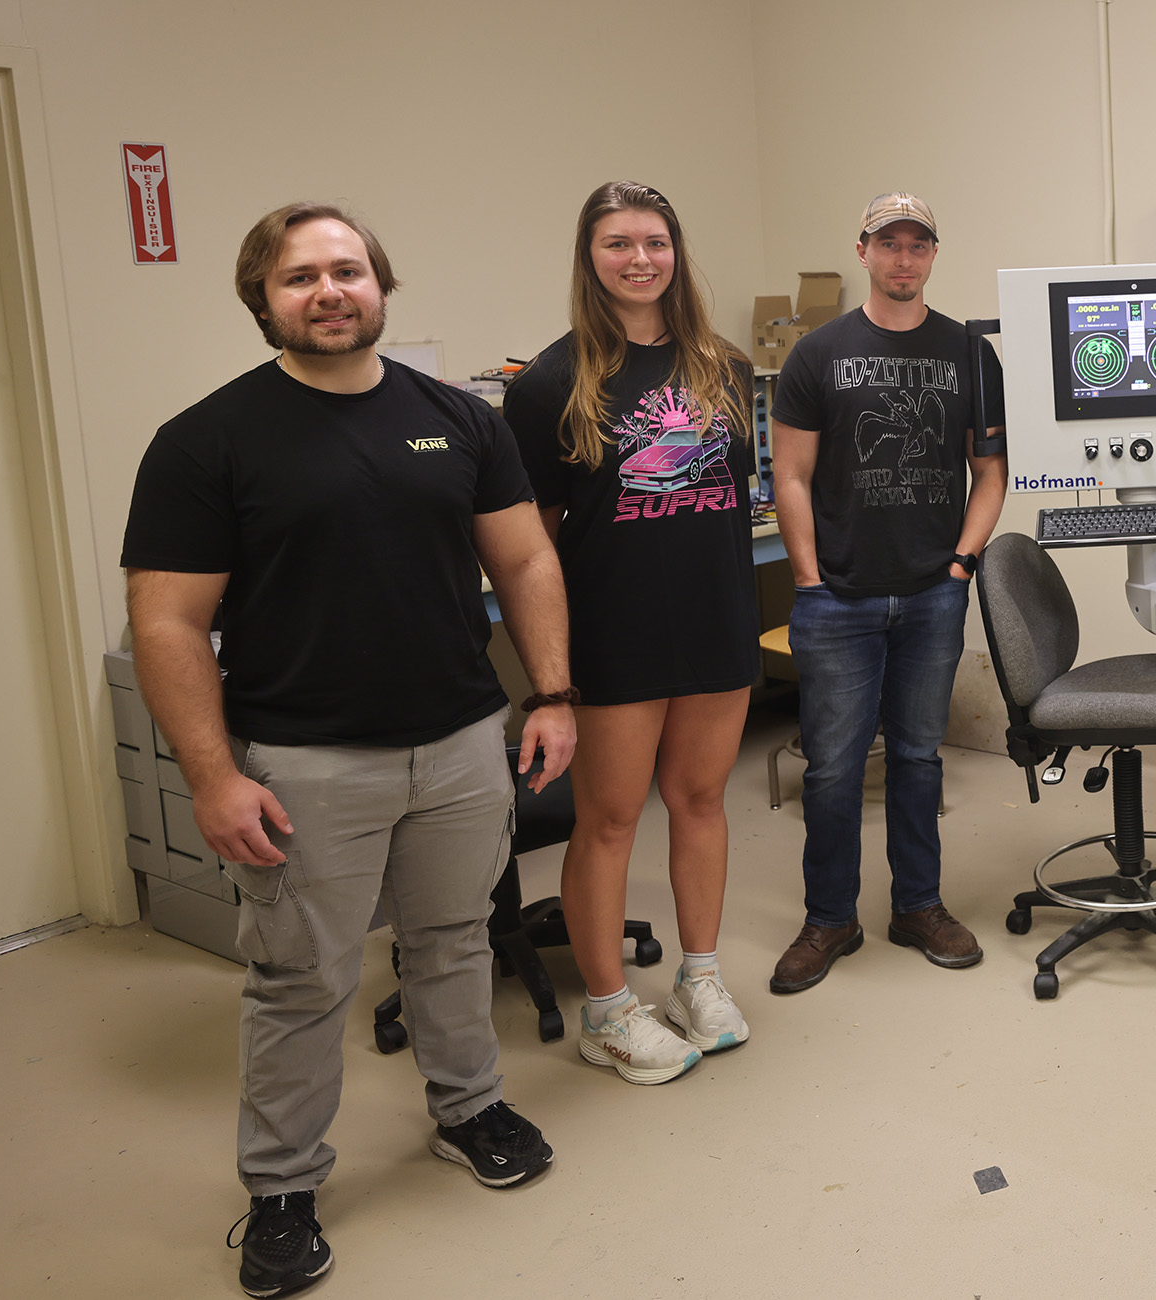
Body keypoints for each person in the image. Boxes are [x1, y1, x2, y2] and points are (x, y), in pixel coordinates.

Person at [122, 202, 572, 1298]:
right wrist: (214, 775)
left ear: (382, 285)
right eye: (300, 277)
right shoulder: (206, 440)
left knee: (454, 941)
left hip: (463, 741)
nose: (330, 291)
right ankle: (281, 1189)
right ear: (262, 299)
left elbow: (524, 565)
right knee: (300, 979)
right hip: (304, 762)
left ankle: (468, 1108)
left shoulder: (456, 419)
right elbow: (168, 623)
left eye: (348, 270)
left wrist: (552, 695)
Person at [503, 181, 758, 1085]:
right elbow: (526, 544)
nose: (640, 259)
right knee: (608, 820)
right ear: (590, 257)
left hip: (719, 621)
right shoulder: (548, 384)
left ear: (676, 253)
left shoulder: (722, 366)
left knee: (700, 803)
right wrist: (552, 676)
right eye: (619, 244)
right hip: (616, 629)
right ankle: (608, 1011)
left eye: (655, 242)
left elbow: (734, 492)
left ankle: (700, 976)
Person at [766, 192, 1006, 993]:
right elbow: (790, 476)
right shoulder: (816, 355)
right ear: (863, 251)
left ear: (934, 254)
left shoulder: (971, 355)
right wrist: (807, 578)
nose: (904, 259)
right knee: (833, 769)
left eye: (919, 245)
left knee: (916, 758)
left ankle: (919, 906)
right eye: (888, 244)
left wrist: (962, 563)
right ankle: (829, 918)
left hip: (933, 594)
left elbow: (989, 470)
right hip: (837, 598)